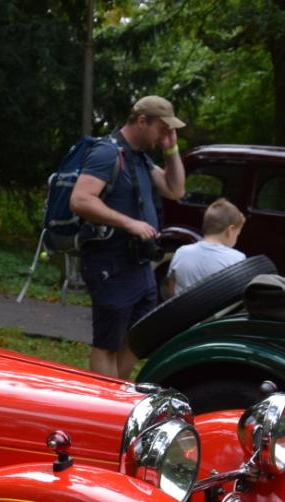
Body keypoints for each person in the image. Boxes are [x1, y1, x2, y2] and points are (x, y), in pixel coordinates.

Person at [70, 95, 187, 378]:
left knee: (137, 339)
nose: (165, 134)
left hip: (138, 264)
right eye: (162, 128)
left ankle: (115, 392)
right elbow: (81, 199)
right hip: (110, 262)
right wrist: (129, 223)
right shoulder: (107, 153)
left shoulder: (140, 158)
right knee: (107, 344)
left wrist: (171, 149)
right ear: (142, 121)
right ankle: (104, 398)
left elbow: (175, 189)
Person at [166, 199, 246, 296]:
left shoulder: (181, 252)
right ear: (230, 230)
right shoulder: (237, 259)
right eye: (237, 234)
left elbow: (171, 290)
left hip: (183, 306)